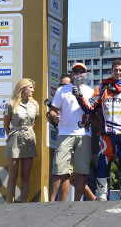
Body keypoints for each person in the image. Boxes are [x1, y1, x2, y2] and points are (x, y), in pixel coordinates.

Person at [74, 60, 121, 200]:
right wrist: (79, 97)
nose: (118, 73)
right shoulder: (102, 87)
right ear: (111, 71)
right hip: (107, 133)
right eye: (115, 70)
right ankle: (101, 196)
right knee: (103, 163)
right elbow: (89, 108)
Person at [47, 63, 94, 201]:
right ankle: (51, 202)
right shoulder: (62, 90)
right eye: (76, 71)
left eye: (82, 71)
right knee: (58, 169)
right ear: (72, 73)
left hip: (84, 134)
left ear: (86, 74)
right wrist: (54, 116)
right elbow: (53, 109)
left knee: (81, 172)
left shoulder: (90, 91)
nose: (79, 73)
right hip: (65, 133)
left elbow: (94, 113)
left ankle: (77, 203)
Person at [3, 78, 39, 203]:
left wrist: (27, 131)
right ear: (23, 88)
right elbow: (6, 124)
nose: (33, 90)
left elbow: (34, 122)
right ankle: (11, 202)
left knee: (26, 174)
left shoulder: (35, 105)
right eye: (30, 87)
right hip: (15, 138)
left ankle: (24, 202)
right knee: (13, 174)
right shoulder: (10, 104)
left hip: (29, 138)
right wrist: (14, 135)